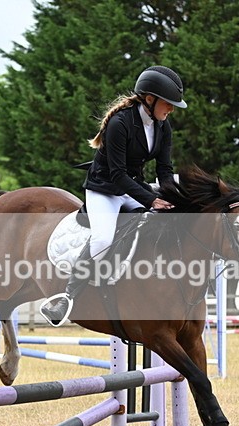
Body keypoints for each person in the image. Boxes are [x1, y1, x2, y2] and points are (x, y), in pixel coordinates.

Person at [40, 65, 185, 326]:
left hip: (133, 188)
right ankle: (67, 297)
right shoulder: (120, 123)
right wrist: (151, 200)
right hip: (104, 189)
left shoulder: (163, 126)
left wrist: (169, 196)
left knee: (159, 225)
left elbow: (165, 169)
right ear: (149, 99)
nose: (171, 109)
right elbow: (118, 175)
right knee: (103, 239)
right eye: (168, 104)